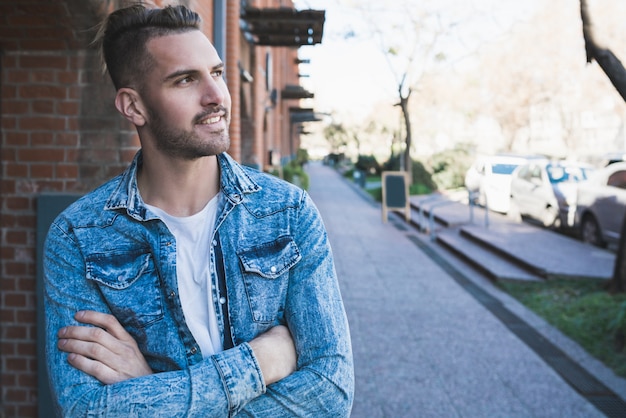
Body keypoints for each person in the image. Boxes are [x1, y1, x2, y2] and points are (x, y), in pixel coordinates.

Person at [43, 4, 354, 417]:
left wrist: (149, 388)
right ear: (134, 107)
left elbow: (331, 391)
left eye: (218, 73)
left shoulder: (287, 213)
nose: (215, 96)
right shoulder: (79, 237)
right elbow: (86, 410)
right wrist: (260, 362)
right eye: (186, 80)